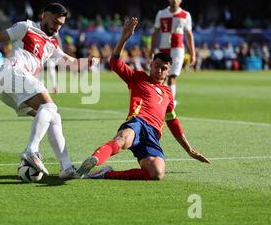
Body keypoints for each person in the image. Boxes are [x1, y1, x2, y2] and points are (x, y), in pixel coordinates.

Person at [0, 3, 90, 179]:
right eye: (55, 22)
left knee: (53, 117)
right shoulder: (26, 27)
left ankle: (67, 168)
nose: (57, 27)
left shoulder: (52, 44)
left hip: (10, 87)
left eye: (61, 24)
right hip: (12, 73)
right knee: (50, 107)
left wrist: (91, 61)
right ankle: (31, 150)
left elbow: (70, 62)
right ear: (44, 15)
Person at [76, 17, 210, 180]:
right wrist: (123, 38)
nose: (159, 70)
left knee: (157, 173)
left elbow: (173, 123)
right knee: (123, 140)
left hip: (153, 134)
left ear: (168, 71)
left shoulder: (168, 94)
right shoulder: (138, 78)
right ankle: (94, 160)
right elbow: (114, 63)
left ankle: (105, 173)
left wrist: (189, 150)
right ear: (150, 65)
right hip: (137, 123)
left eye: (164, 68)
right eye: (156, 66)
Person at [151, 0, 196, 105]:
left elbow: (189, 34)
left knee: (172, 76)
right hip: (163, 48)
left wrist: (193, 53)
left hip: (178, 50)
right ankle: (163, 101)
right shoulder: (161, 14)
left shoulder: (186, 15)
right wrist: (151, 48)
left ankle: (169, 104)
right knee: (162, 77)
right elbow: (155, 32)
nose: (175, 0)